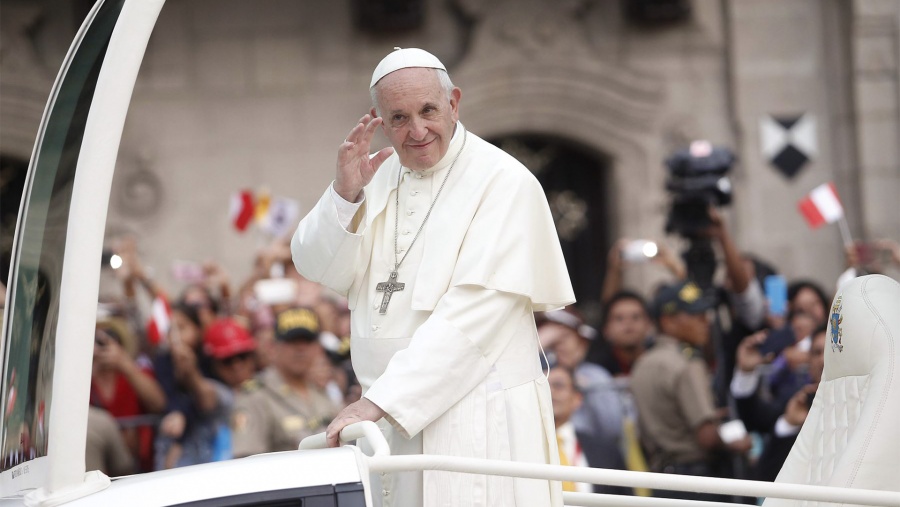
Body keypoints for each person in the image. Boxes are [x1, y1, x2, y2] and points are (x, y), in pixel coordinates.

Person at [291, 47, 575, 506]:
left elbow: (474, 316)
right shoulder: (377, 176)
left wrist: (382, 401)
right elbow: (316, 264)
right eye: (399, 118)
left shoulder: (504, 182)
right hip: (387, 419)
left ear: (454, 103)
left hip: (475, 415)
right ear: (379, 120)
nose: (417, 131)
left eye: (428, 111)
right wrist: (345, 195)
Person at [630, 280, 751, 501]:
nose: (706, 322)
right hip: (696, 481)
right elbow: (706, 436)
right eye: (696, 315)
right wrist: (736, 443)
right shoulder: (687, 364)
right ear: (668, 321)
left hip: (660, 481)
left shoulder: (642, 363)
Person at [231, 307, 340, 458]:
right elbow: (245, 460)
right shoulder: (256, 396)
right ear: (274, 347)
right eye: (292, 341)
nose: (300, 348)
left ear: (317, 347)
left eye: (307, 341)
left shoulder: (321, 390)